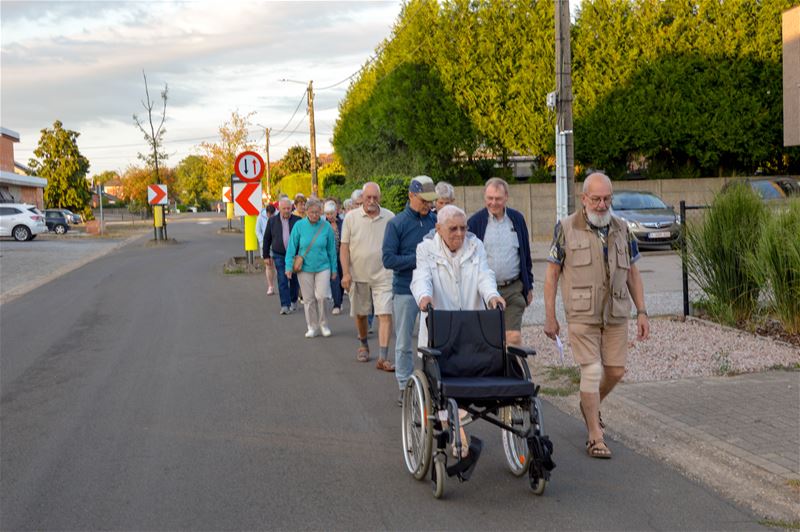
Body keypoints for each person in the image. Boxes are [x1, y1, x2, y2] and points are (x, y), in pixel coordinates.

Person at [543, 172, 650, 459]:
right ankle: (595, 436)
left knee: (615, 371)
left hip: (615, 312)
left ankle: (589, 404)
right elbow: (552, 275)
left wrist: (642, 311)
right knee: (591, 371)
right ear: (584, 199)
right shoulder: (565, 227)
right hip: (581, 313)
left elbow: (633, 273)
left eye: (606, 199)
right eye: (596, 199)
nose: (602, 205)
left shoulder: (622, 228)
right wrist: (549, 316)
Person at [411, 204, 505, 455]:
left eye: (463, 227)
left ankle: (458, 430)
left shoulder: (476, 247)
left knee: (468, 378)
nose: (460, 233)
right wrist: (424, 296)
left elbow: (485, 275)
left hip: (471, 327)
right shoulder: (426, 249)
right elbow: (421, 277)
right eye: (453, 228)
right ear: (439, 229)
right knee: (440, 384)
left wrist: (493, 296)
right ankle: (456, 433)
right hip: (440, 327)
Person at [382, 176, 437, 405]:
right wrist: (419, 260)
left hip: (431, 290)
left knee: (434, 340)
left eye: (430, 201)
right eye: (423, 200)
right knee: (404, 341)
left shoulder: (435, 220)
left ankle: (432, 385)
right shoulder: (397, 224)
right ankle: (404, 386)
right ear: (411, 196)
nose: (428, 205)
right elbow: (388, 259)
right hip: (405, 289)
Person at [467, 177, 534, 347]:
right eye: (490, 198)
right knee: (488, 340)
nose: (493, 203)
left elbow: (525, 254)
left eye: (498, 198)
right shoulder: (474, 223)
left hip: (513, 289)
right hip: (484, 292)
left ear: (506, 198)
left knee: (512, 338)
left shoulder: (517, 219)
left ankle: (513, 372)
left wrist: (529, 285)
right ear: (484, 197)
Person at [340, 182, 395, 369]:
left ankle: (383, 356)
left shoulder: (390, 217)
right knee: (361, 314)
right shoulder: (351, 218)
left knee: (384, 314)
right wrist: (346, 273)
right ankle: (363, 344)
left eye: (375, 197)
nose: (372, 201)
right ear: (362, 198)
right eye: (368, 197)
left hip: (384, 275)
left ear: (380, 198)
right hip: (358, 275)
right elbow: (344, 247)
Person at [285, 198, 338, 338]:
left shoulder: (326, 227)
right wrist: (288, 266)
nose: (315, 215)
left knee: (322, 296)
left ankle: (324, 324)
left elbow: (332, 250)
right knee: (308, 299)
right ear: (306, 211)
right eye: (312, 212)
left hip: (323, 266)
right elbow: (291, 247)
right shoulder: (299, 226)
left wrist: (334, 269)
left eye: (318, 212)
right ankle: (312, 326)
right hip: (304, 267)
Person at [263, 197, 301, 314]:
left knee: (294, 280)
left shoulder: (298, 220)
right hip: (279, 254)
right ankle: (285, 305)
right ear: (279, 208)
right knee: (282, 278)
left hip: (294, 256)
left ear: (292, 208)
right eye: (284, 208)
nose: (286, 211)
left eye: (288, 208)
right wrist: (266, 256)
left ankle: (293, 300)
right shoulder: (272, 221)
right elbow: (267, 238)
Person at [324, 200, 344, 315]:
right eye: (327, 214)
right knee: (334, 279)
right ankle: (336, 304)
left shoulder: (342, 223)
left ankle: (340, 300)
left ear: (336, 212)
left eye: (331, 213)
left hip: (341, 255)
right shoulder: (323, 225)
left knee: (341, 279)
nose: (329, 216)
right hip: (329, 257)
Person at [256, 203, 278, 296]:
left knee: (278, 265)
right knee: (269, 265)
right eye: (269, 214)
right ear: (267, 212)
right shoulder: (260, 217)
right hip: (265, 245)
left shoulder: (278, 215)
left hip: (276, 244)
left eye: (272, 214)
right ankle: (270, 286)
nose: (271, 216)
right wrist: (262, 242)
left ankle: (282, 285)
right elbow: (257, 231)